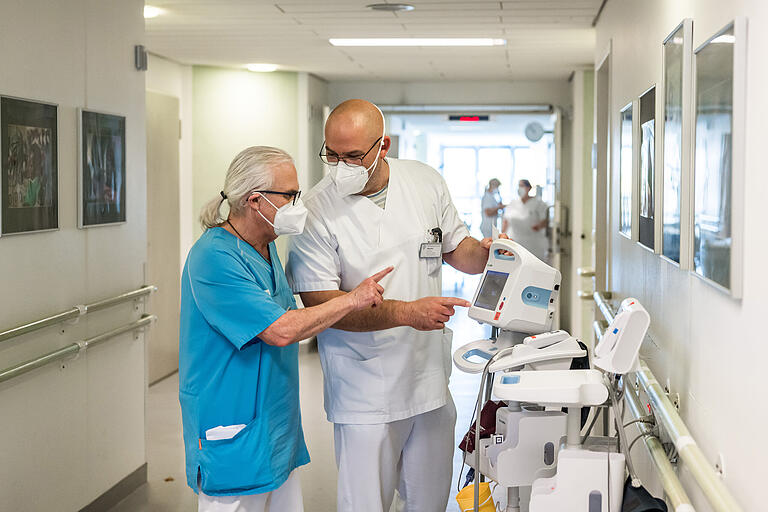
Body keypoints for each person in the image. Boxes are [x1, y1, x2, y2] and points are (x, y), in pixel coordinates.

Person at [285, 99, 508, 512]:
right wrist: (407, 312)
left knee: (429, 501)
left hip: (427, 378)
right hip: (363, 386)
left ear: (382, 145)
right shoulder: (314, 210)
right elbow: (320, 302)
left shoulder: (424, 182)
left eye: (352, 156)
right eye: (331, 154)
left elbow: (459, 249)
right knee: (365, 504)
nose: (339, 166)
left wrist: (489, 254)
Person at [178, 146, 392, 512]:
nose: (298, 202)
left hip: (275, 429)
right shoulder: (214, 257)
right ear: (255, 200)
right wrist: (351, 300)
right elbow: (281, 330)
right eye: (290, 195)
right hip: (232, 429)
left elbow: (296, 321)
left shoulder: (265, 246)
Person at [502, 179, 549, 261]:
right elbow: (506, 221)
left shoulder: (538, 203)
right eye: (519, 186)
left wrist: (538, 226)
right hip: (515, 241)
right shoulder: (513, 203)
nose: (520, 188)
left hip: (532, 243)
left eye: (522, 186)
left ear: (529, 188)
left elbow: (545, 221)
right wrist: (502, 237)